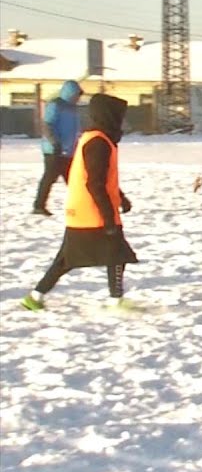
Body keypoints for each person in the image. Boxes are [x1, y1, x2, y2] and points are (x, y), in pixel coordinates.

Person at [21, 94, 138, 311]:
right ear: (108, 116)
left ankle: (35, 296)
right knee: (116, 253)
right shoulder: (98, 143)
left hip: (83, 211)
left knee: (69, 258)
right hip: (93, 212)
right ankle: (115, 301)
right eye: (119, 116)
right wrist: (108, 217)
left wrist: (121, 197)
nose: (122, 121)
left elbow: (100, 177)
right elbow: (95, 184)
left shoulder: (96, 138)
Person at [32, 80, 83, 216]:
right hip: (54, 150)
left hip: (68, 150)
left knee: (73, 179)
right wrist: (55, 143)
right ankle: (39, 206)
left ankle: (79, 206)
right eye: (76, 95)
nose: (78, 98)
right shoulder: (55, 105)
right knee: (50, 178)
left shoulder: (73, 109)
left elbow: (75, 129)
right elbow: (48, 125)